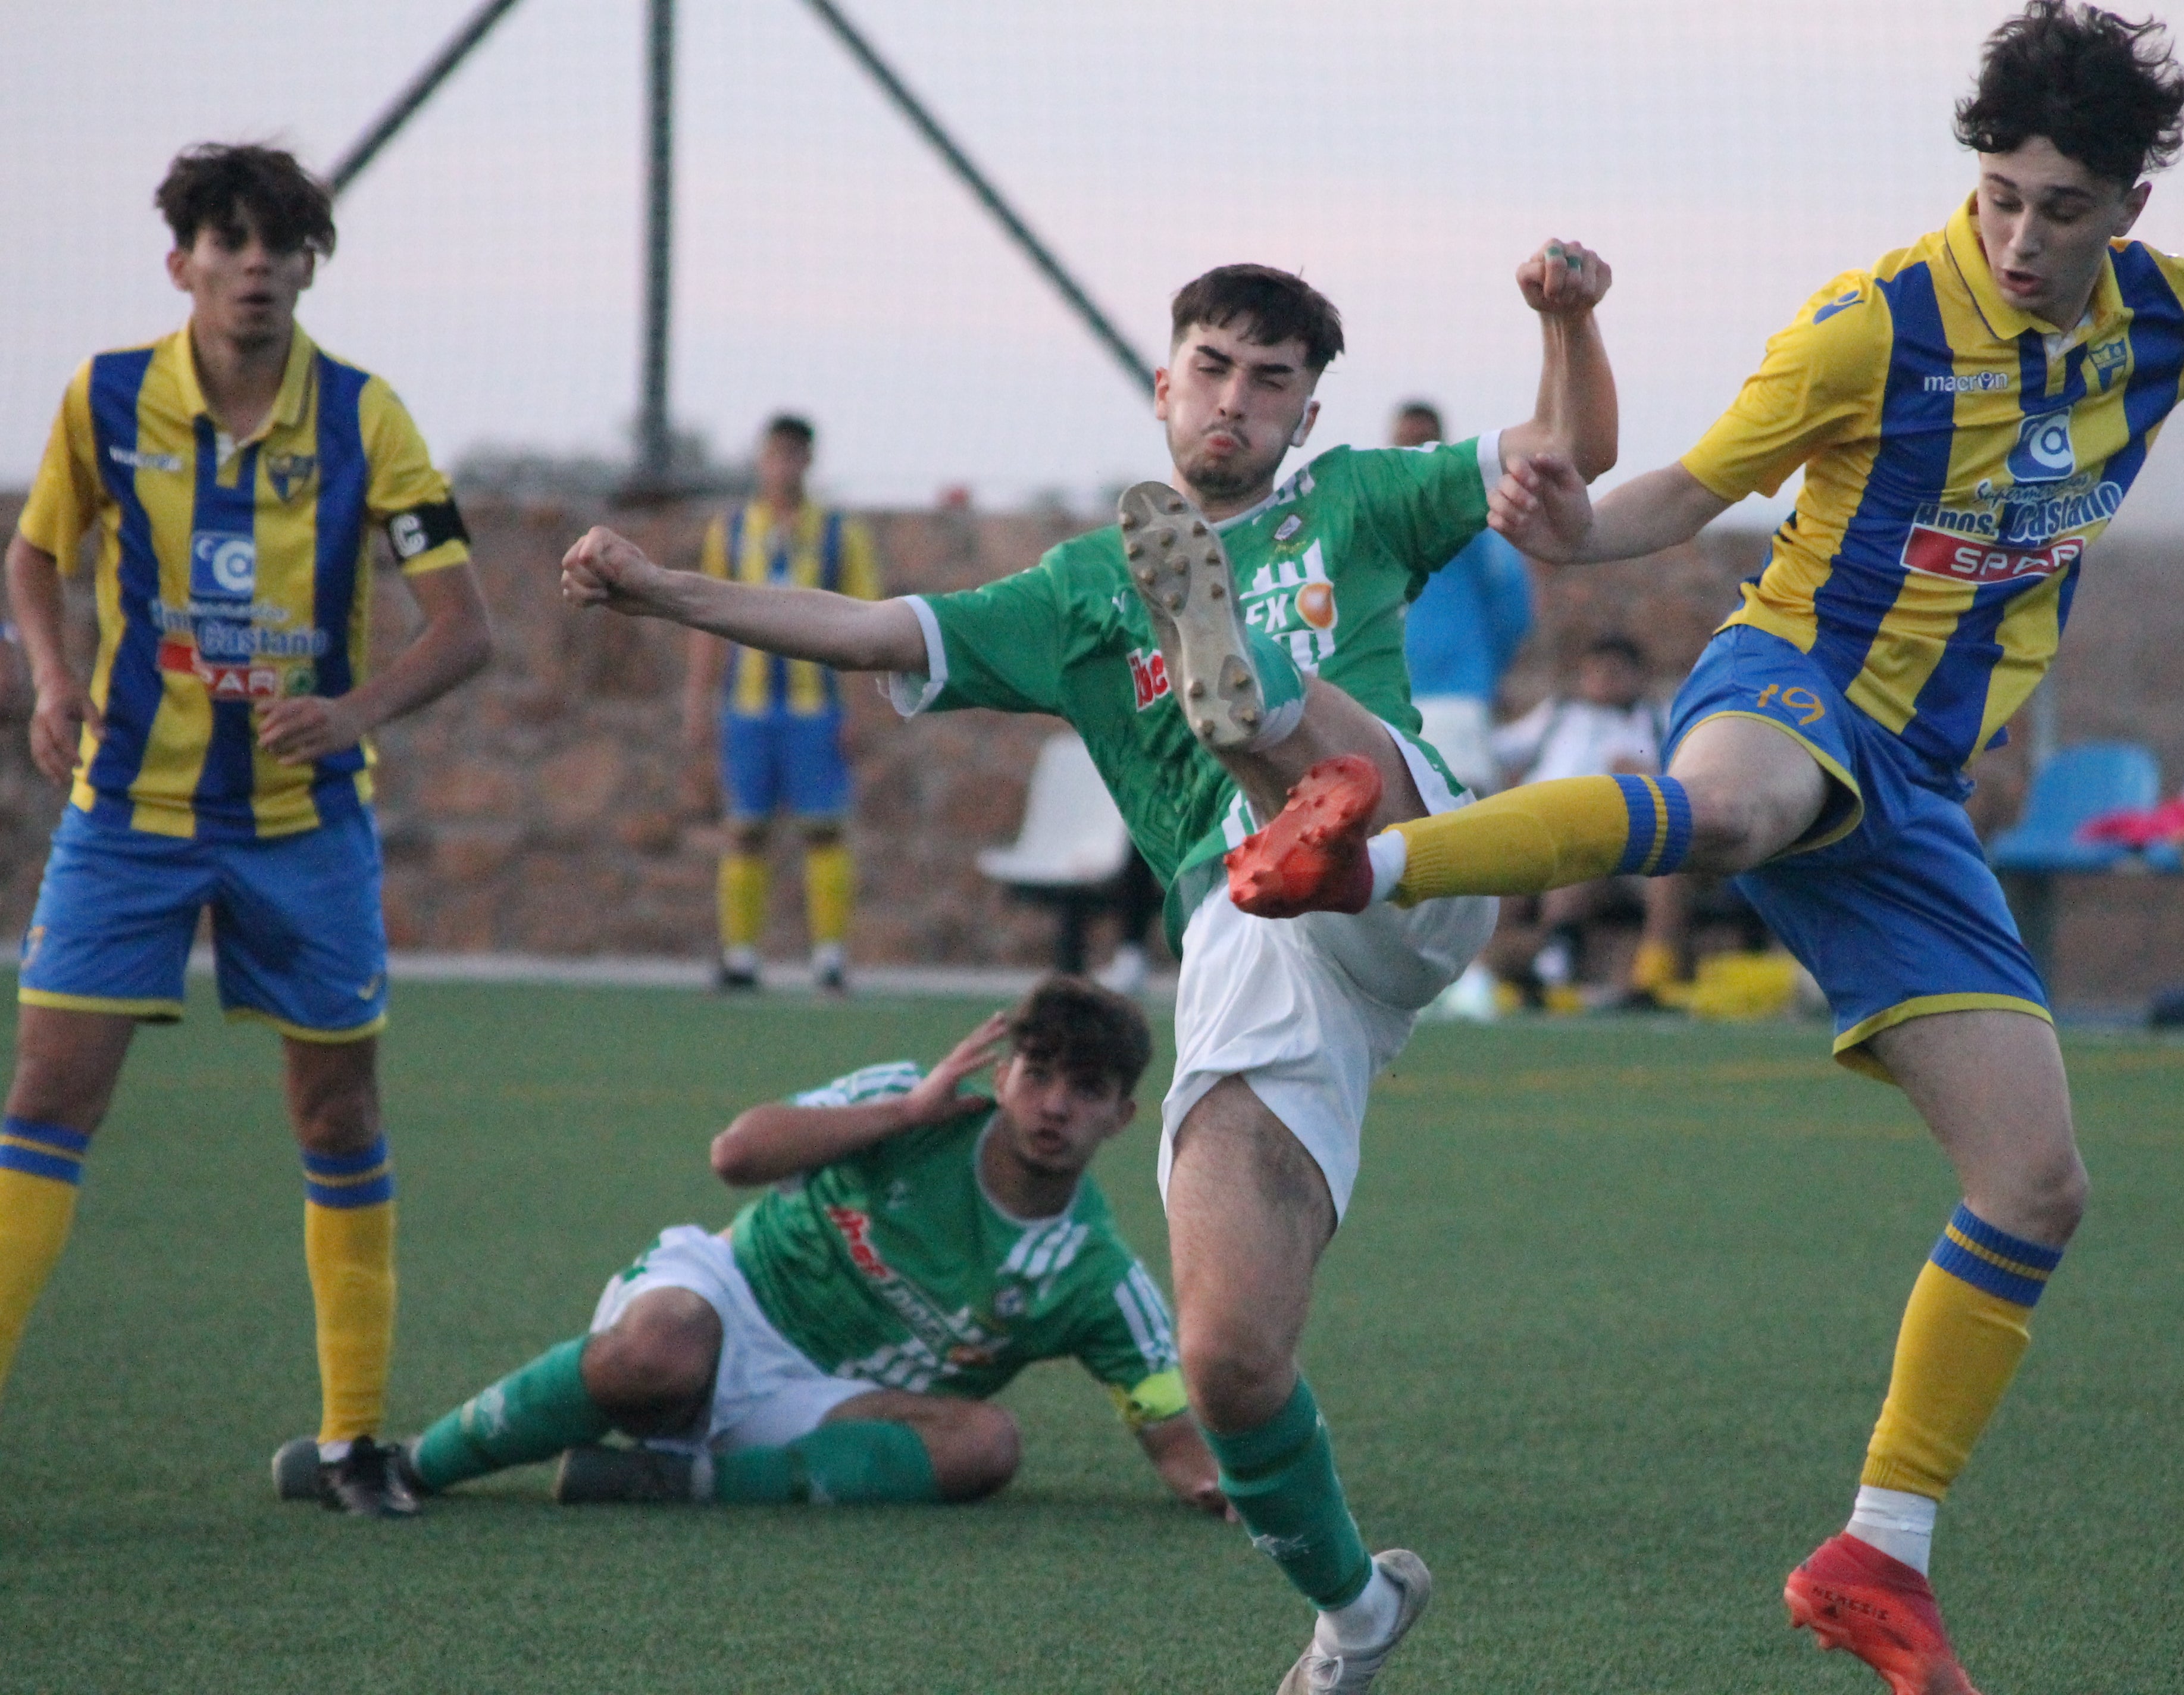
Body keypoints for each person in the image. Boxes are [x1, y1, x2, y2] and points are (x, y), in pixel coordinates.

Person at [1224, 6, 2184, 1690]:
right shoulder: (1870, 324)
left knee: (2038, 1181)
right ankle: (1368, 861)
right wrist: (1568, 531)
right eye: (1999, 193)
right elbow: (1674, 502)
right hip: (1790, 682)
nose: (2018, 234)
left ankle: (1880, 1555)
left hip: (1914, 786)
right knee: (1734, 808)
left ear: (2127, 206)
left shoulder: (2169, 320)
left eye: (2061, 205)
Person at [560, 248, 1615, 1691]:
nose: (1236, 399)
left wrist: (1565, 320)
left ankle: (1253, 697)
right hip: (1251, 939)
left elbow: (1568, 451)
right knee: (1229, 1357)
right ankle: (1356, 1611)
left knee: (1298, 748)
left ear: (1309, 412)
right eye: (1213, 367)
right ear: (1163, 380)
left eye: (1271, 379)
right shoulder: (1074, 592)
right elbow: (876, 630)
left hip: (1406, 852)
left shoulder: (1365, 496)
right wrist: (663, 589)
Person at [0, 144, 493, 1516]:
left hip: (302, 825)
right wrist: (49, 670)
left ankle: (350, 1439)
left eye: (285, 247)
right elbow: (35, 555)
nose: (260, 268)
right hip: (130, 817)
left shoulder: (365, 416)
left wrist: (356, 708)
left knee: (337, 1107)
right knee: (46, 1099)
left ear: (309, 268)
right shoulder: (106, 398)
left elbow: (464, 626)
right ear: (184, 266)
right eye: (233, 244)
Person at [271, 977, 1229, 1515]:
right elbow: (737, 1155)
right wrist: (900, 1111)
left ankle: (671, 1482)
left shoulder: (1094, 1275)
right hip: (728, 1298)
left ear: (1123, 1115)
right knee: (655, 1353)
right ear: (1006, 1070)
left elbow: (1169, 1424)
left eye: (1086, 1089)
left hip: (821, 1402)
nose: (1056, 1104)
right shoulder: (908, 1099)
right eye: (1040, 1073)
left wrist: (1219, 1486)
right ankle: (401, 1468)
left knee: (986, 1444)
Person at [683, 414, 882, 993]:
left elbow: (867, 623)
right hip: (747, 707)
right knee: (745, 829)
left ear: (809, 462)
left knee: (824, 829)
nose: (783, 467)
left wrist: (859, 712)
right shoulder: (733, 529)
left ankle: (830, 956)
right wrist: (698, 701)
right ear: (760, 459)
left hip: (815, 706)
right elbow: (707, 620)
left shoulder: (841, 534)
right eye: (774, 455)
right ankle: (741, 955)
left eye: (794, 456)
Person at [1479, 634, 1686, 1007]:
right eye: (1594, 674)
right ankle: (1508, 968)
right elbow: (1494, 750)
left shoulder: (1660, 721)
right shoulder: (1557, 716)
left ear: (1638, 677)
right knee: (1501, 882)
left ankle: (1650, 974)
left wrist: (1650, 775)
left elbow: (1693, 783)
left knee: (1625, 864)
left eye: (1615, 674)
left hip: (1629, 843)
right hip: (1542, 833)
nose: (1603, 682)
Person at [1393, 400, 1535, 795]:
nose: (1413, 454)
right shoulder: (1379, 521)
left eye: (1422, 443)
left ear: (1442, 446)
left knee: (1462, 800)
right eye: (1404, 444)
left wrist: (1487, 671)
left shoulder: (1471, 518)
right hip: (1390, 699)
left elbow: (1512, 606)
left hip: (1458, 692)